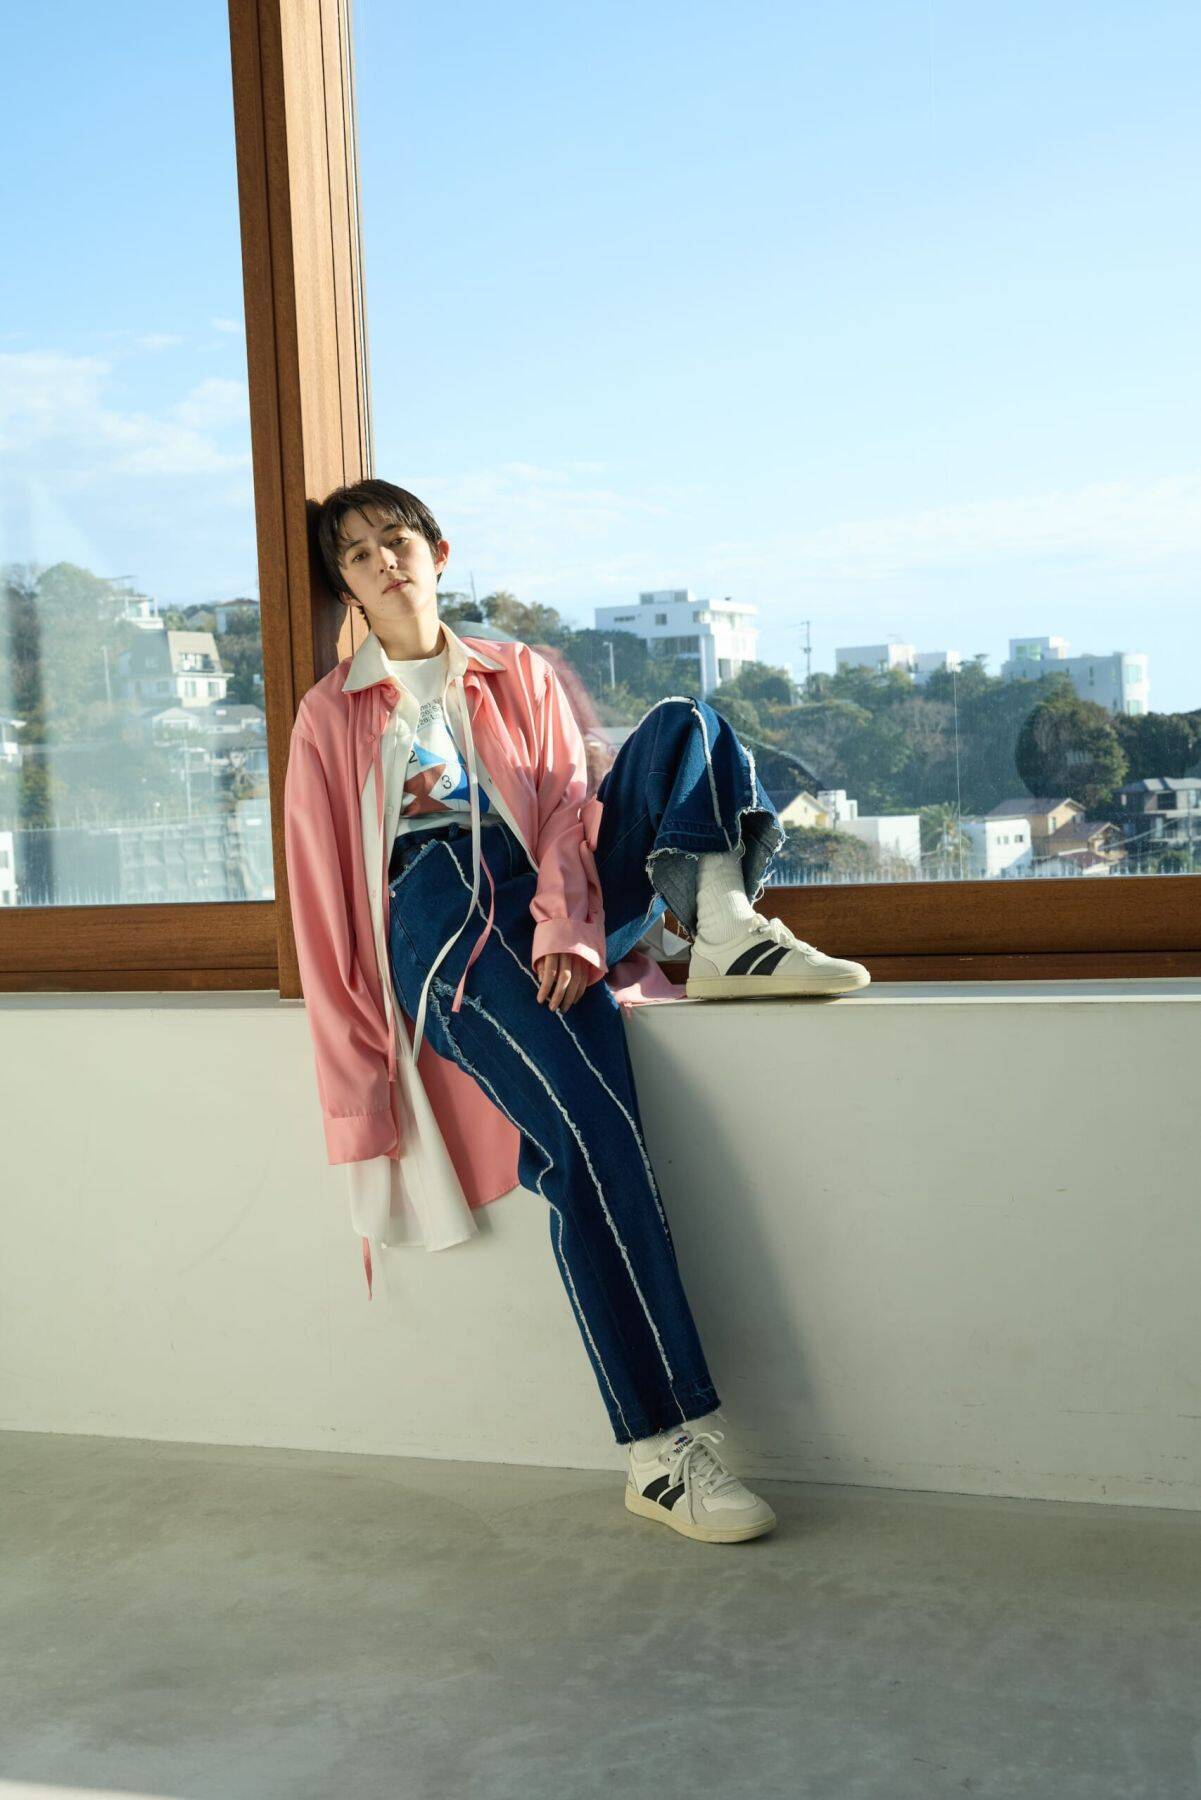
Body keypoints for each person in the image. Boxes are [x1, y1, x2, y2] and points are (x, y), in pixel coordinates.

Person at [285, 478, 869, 1545]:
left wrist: (566, 924)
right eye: (358, 555)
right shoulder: (331, 715)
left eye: (396, 539)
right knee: (594, 1139)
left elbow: (562, 806)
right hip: (444, 918)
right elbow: (324, 905)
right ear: (349, 590)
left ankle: (724, 929)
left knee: (685, 724)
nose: (383, 561)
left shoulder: (515, 672)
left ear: (437, 553)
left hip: (554, 894)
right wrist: (360, 1092)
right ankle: (660, 1451)